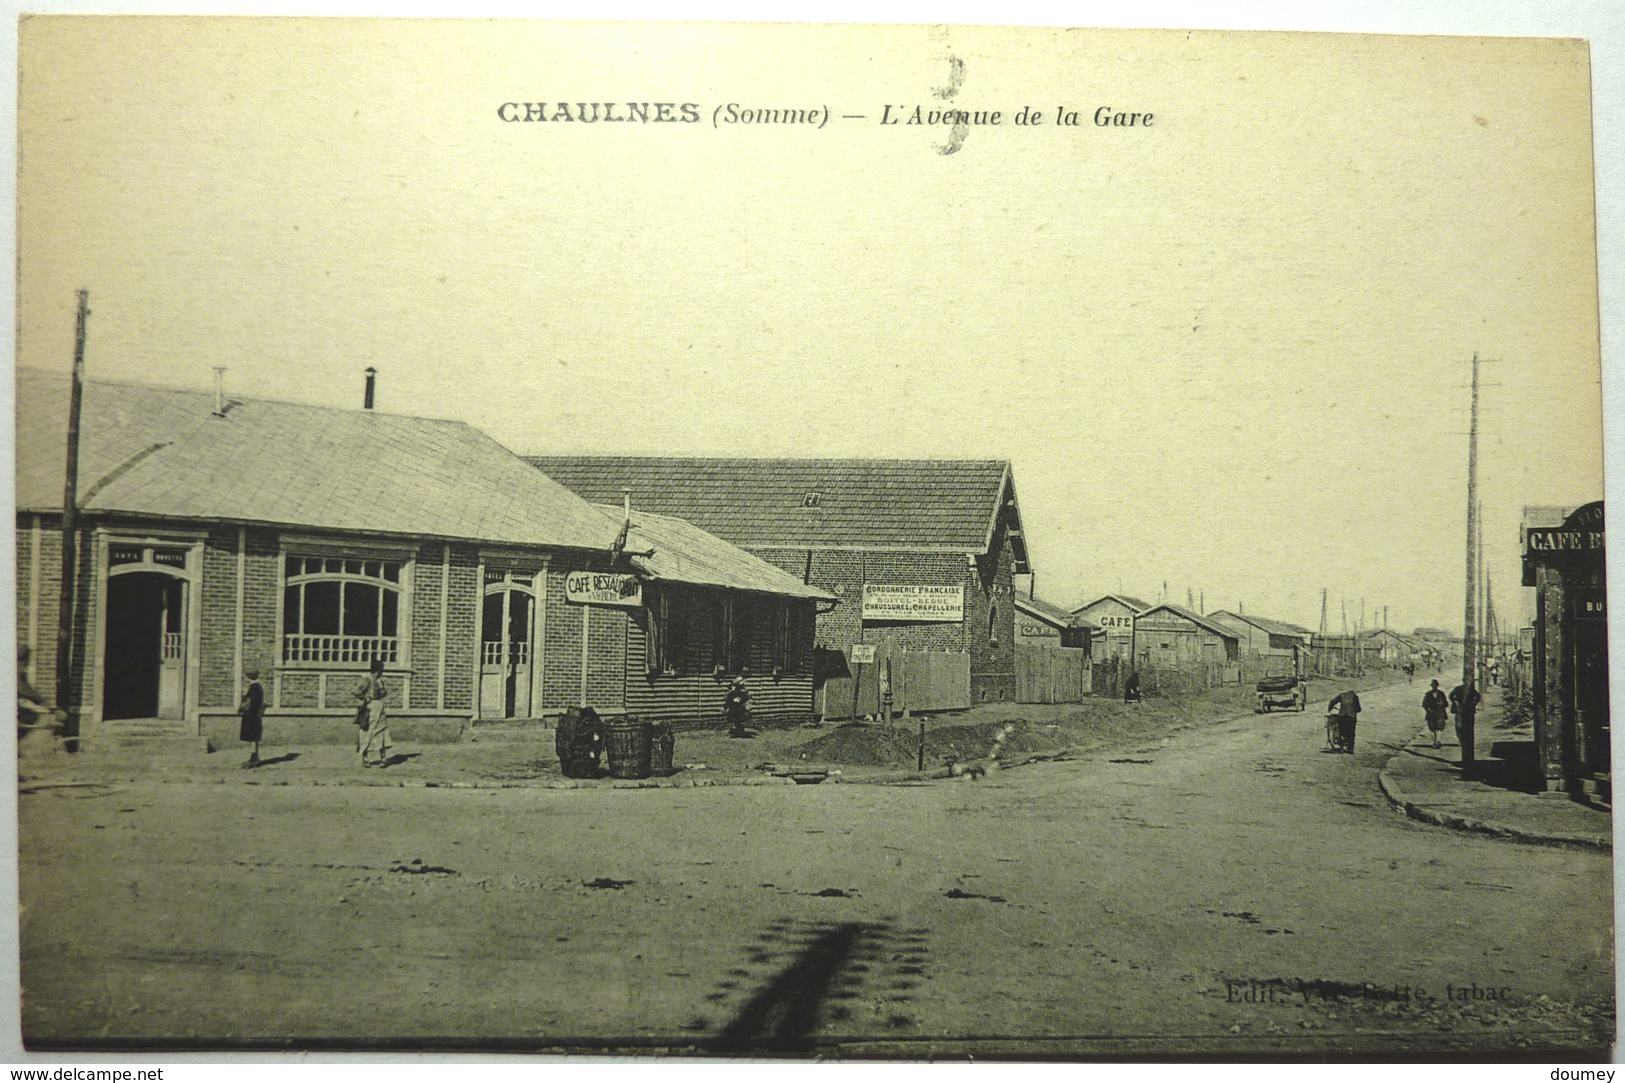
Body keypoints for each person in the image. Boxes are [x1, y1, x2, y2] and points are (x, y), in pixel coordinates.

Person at [354, 658, 391, 767]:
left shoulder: (380, 681)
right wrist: (365, 698)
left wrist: (382, 689)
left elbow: (384, 693)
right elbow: (356, 691)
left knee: (382, 730)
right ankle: (365, 758)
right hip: (370, 708)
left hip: (380, 707)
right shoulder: (366, 679)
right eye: (381, 670)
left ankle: (383, 758)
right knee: (367, 731)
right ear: (378, 670)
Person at [238, 667, 266, 768]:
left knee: (253, 738)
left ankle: (254, 759)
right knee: (253, 738)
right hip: (255, 715)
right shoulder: (258, 687)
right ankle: (254, 757)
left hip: (252, 716)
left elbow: (250, 702)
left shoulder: (254, 687)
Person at [1423, 679, 1449, 749]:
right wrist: (1428, 709)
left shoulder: (1441, 694)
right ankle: (1433, 742)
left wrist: (1442, 703)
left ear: (1437, 686)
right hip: (1431, 713)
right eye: (1433, 686)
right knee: (1432, 728)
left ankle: (1438, 741)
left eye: (1435, 686)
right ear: (1431, 686)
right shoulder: (1428, 694)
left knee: (1439, 727)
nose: (1434, 687)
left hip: (1439, 712)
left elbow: (1446, 704)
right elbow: (1424, 704)